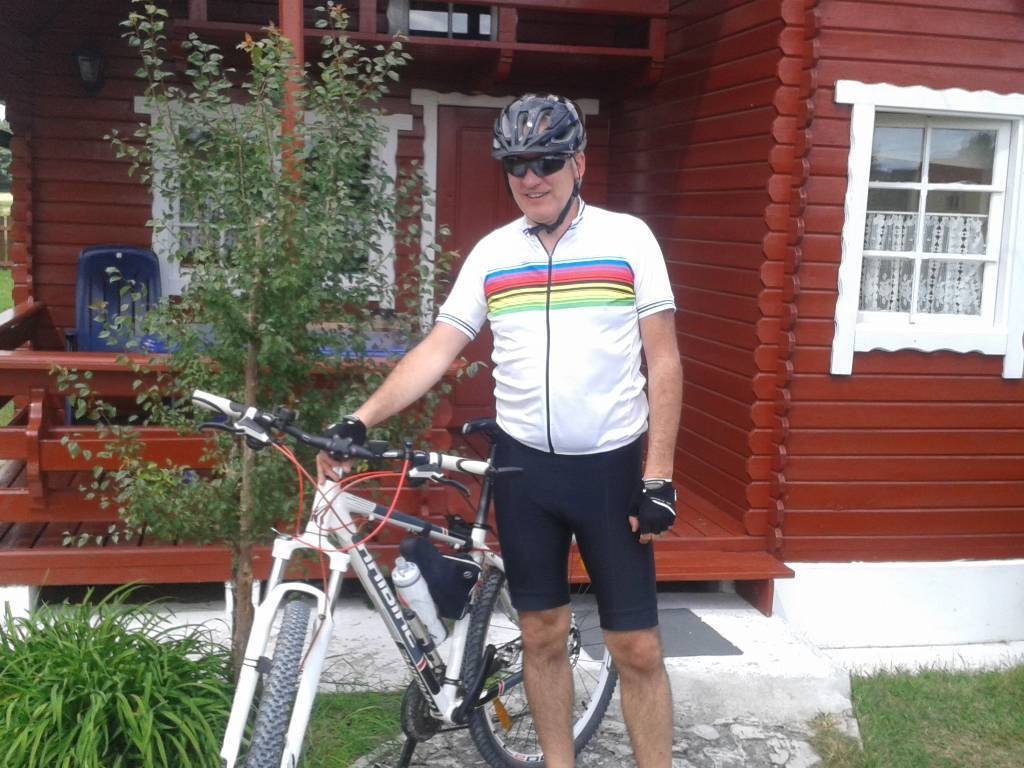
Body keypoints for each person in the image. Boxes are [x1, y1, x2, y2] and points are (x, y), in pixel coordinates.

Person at [317, 93, 682, 768]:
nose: (531, 177)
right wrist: (360, 417)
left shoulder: (628, 239)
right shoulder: (493, 253)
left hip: (609, 470)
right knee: (541, 634)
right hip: (525, 473)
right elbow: (438, 347)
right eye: (516, 165)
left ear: (578, 163)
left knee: (638, 648)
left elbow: (663, 359)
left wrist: (658, 476)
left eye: (546, 161)